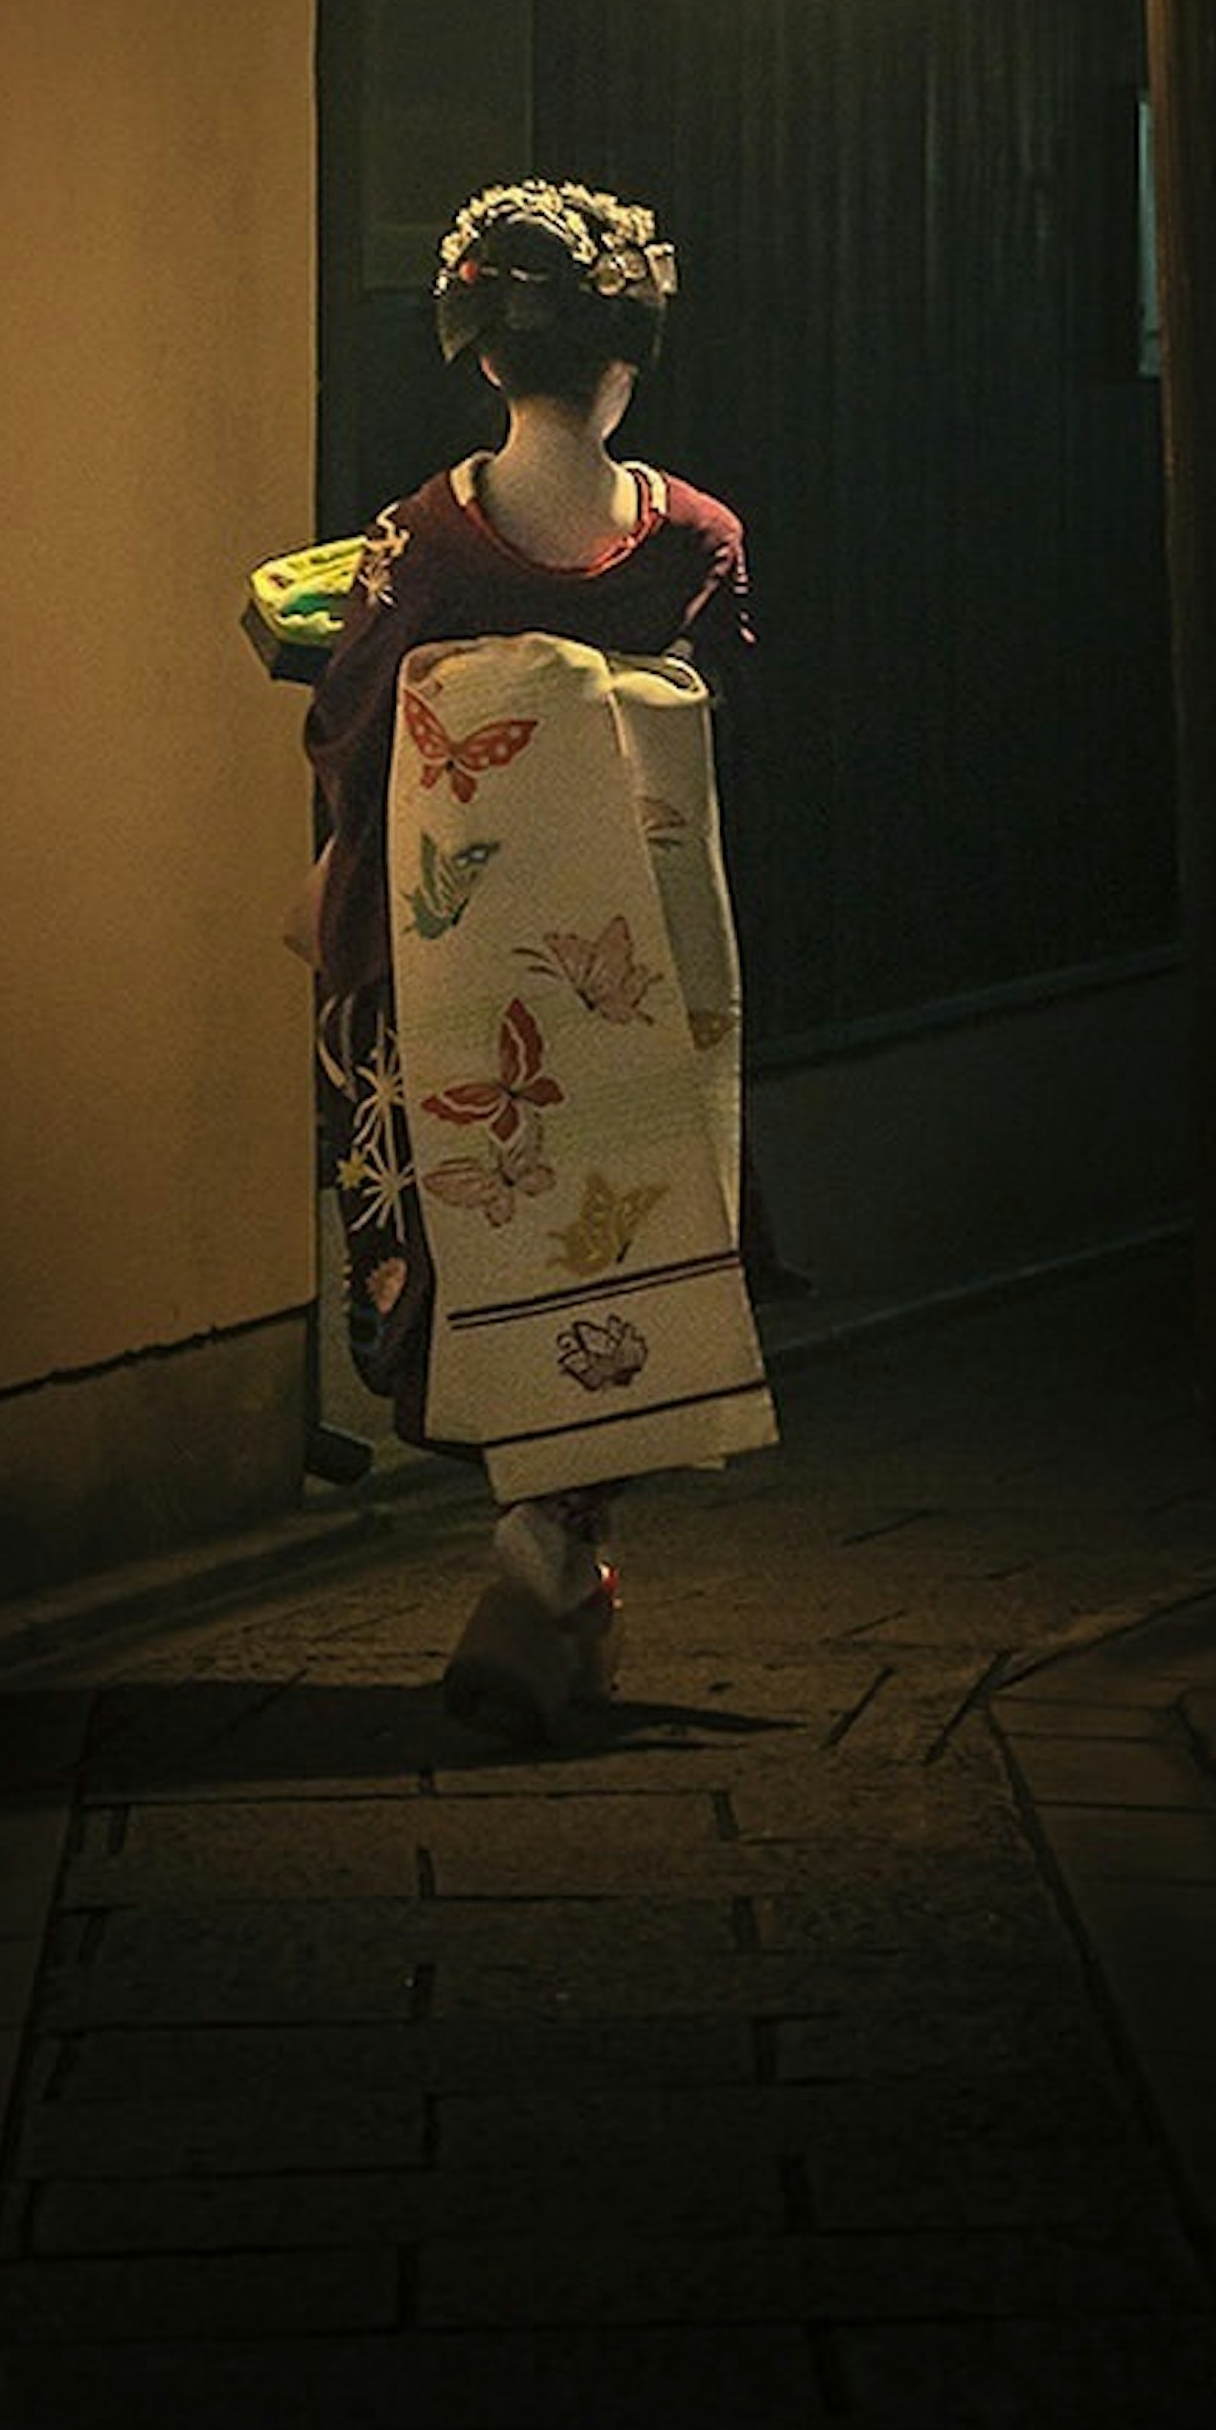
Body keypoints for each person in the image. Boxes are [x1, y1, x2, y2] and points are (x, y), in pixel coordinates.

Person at [293, 180, 773, 1743]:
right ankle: (560, 1573)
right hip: (632, 955)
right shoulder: (696, 541)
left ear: (482, 357)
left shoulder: (419, 546)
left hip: (457, 968)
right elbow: (708, 728)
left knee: (467, 1251)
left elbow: (352, 743)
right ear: (630, 357)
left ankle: (538, 1578)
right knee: (627, 1231)